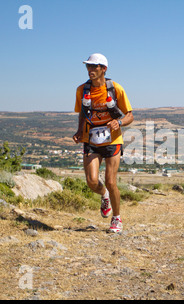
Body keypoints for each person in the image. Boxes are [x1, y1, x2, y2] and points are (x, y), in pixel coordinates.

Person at [73, 53, 134, 233]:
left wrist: (119, 122)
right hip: (91, 138)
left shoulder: (116, 88)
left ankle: (116, 219)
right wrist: (79, 131)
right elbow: (82, 113)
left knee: (110, 180)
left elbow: (130, 115)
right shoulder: (82, 90)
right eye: (88, 66)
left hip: (113, 139)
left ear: (103, 69)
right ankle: (104, 195)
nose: (90, 70)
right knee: (92, 181)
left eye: (94, 66)